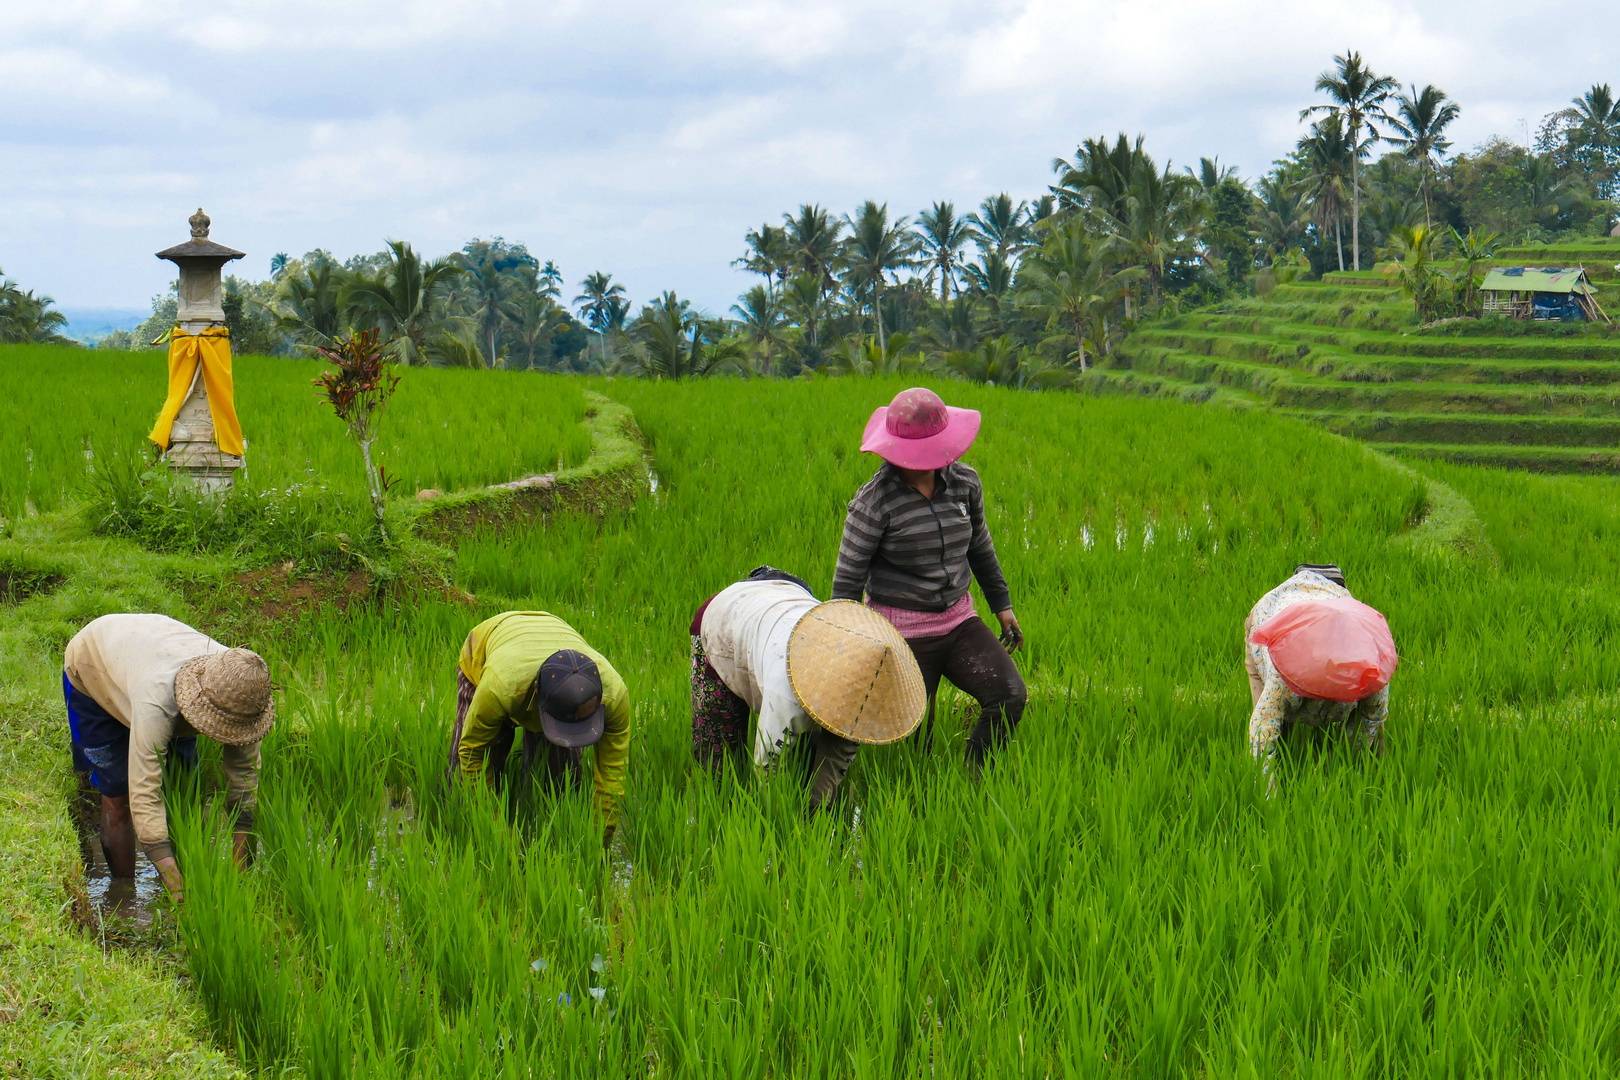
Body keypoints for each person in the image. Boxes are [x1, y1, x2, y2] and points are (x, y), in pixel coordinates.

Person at [831, 387, 1026, 774]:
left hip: (958, 620)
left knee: (1008, 695)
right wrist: (848, 647)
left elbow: (980, 546)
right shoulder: (874, 502)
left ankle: (973, 780)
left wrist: (1002, 607)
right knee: (917, 736)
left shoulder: (964, 483)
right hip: (902, 632)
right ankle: (922, 802)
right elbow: (847, 583)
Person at [63, 613, 276, 903]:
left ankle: (182, 869)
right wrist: (181, 895)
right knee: (118, 791)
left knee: (183, 788)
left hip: (150, 654)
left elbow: (244, 783)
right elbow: (144, 792)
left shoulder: (243, 689)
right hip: (96, 667)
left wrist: (242, 881)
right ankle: (124, 896)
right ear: (200, 703)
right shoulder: (158, 702)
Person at [690, 566, 927, 810]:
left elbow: (834, 761)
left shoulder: (866, 698)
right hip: (726, 619)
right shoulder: (787, 695)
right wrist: (776, 823)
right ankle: (717, 816)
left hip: (785, 605)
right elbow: (767, 768)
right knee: (719, 762)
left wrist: (816, 816)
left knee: (805, 761)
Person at [447, 611, 630, 839]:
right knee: (463, 778)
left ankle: (544, 833)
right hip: (487, 653)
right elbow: (472, 752)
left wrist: (600, 838)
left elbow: (612, 772)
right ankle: (458, 834)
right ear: (536, 692)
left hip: (550, 637)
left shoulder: (614, 696)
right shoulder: (499, 687)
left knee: (559, 778)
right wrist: (495, 832)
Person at [1245, 563, 1393, 789]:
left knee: (1372, 731)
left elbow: (1371, 718)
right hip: (1270, 617)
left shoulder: (1373, 668)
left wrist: (1339, 766)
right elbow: (1262, 734)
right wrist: (1268, 799)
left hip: (1324, 602)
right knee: (1272, 718)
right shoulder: (1283, 668)